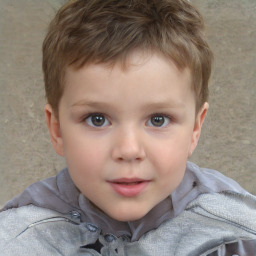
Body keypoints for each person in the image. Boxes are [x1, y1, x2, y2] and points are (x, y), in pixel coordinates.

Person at [0, 0, 255, 255]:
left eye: (158, 119)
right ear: (57, 130)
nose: (129, 149)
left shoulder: (235, 232)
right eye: (97, 119)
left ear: (195, 129)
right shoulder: (20, 239)